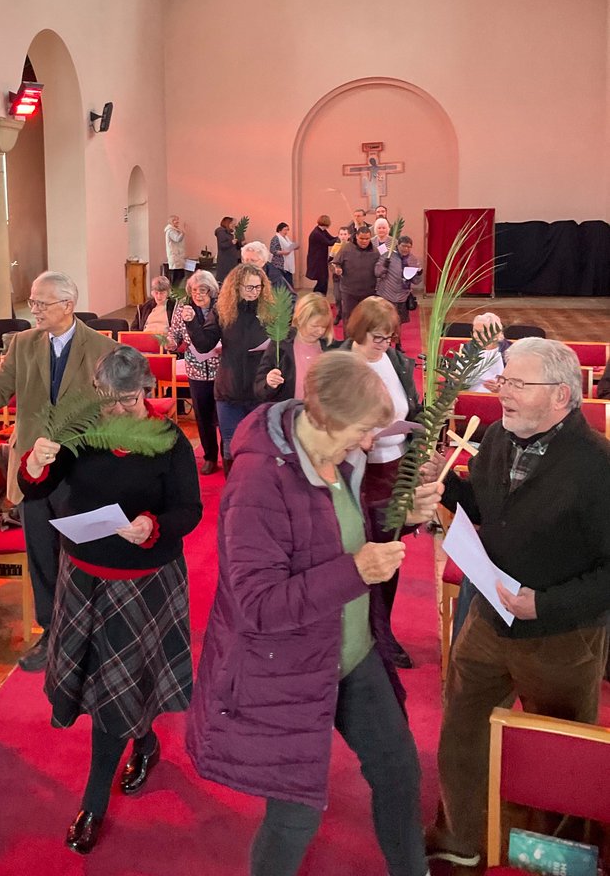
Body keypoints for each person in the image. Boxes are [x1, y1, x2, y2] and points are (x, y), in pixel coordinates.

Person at [187, 351, 443, 876]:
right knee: (295, 817)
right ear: (323, 417)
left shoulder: (338, 457)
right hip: (288, 669)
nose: (368, 444)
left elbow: (336, 531)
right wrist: (357, 572)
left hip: (353, 653)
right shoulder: (258, 482)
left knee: (398, 772)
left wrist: (400, 517)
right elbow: (258, 605)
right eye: (362, 431)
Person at [427, 338, 610, 869]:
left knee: (559, 753)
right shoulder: (498, 437)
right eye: (503, 380)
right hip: (489, 620)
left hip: (562, 637)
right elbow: (488, 508)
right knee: (463, 727)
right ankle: (463, 837)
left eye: (516, 383)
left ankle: (551, 854)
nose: (501, 391)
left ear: (560, 396)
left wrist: (545, 605)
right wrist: (446, 484)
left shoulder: (598, 466)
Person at [19, 347, 202, 854]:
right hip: (84, 577)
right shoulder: (84, 432)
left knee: (118, 688)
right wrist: (35, 464)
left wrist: (152, 525)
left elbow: (190, 510)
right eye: (109, 399)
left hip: (142, 581)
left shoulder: (168, 441)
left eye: (129, 399)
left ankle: (93, 804)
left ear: (147, 390)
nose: (118, 409)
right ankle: (145, 742)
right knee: (113, 682)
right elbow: (37, 490)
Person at [0, 271, 117, 672]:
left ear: (68, 305)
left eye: (42, 303)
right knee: (42, 559)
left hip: (81, 472)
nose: (34, 310)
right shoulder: (23, 344)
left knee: (84, 556)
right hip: (32, 472)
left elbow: (113, 413)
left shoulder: (102, 348)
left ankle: (92, 634)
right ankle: (51, 633)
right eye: (32, 302)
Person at [340, 297, 420, 668]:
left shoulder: (396, 361)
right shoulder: (342, 365)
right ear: (358, 331)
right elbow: (324, 421)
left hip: (395, 470)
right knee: (358, 554)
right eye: (377, 338)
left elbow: (409, 408)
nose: (385, 345)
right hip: (358, 475)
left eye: (389, 338)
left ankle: (382, 630)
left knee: (389, 554)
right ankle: (357, 634)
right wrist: (356, 437)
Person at [184, 263, 272, 475]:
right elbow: (204, 344)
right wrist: (192, 322)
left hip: (259, 390)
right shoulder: (223, 311)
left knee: (258, 446)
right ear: (236, 286)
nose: (254, 292)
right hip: (229, 390)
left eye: (258, 287)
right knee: (231, 447)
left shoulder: (270, 312)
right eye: (249, 287)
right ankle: (232, 488)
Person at [167, 270, 222, 474]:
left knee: (223, 416)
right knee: (203, 416)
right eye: (194, 290)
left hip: (221, 369)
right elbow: (175, 333)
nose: (198, 294)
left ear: (212, 291)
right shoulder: (184, 307)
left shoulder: (220, 307)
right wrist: (171, 343)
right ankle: (210, 457)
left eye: (203, 290)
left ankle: (227, 456)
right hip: (196, 369)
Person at [254, 291, 335, 403]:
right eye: (314, 326)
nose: (320, 331)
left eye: (324, 327)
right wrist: (269, 383)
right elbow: (259, 387)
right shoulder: (281, 344)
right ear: (300, 320)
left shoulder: (330, 347)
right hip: (289, 410)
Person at [375, 234, 423, 348]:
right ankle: (384, 344)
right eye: (403, 246)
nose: (406, 249)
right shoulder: (388, 256)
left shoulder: (412, 259)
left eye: (408, 247)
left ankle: (397, 344)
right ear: (398, 245)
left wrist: (418, 274)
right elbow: (377, 272)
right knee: (385, 321)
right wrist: (384, 266)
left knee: (398, 322)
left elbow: (416, 281)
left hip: (402, 296)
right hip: (387, 294)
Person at [331, 224, 378, 325]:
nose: (364, 241)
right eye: (361, 238)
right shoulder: (346, 249)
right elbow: (334, 263)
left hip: (368, 292)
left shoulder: (375, 251)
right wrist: (337, 269)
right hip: (349, 292)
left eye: (367, 239)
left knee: (366, 319)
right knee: (349, 319)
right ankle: (348, 336)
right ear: (356, 236)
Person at [462, 311, 511, 392]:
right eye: (474, 331)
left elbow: (518, 381)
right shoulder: (468, 348)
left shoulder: (509, 350)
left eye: (481, 332)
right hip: (469, 394)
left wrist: (501, 389)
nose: (475, 336)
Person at [304, 215, 337, 295]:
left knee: (324, 279)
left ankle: (321, 296)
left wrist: (340, 236)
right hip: (316, 260)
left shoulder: (322, 231)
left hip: (321, 259)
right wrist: (340, 237)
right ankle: (317, 296)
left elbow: (331, 238)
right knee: (322, 279)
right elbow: (329, 242)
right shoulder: (316, 233)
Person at [330, 225, 351, 325]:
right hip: (337, 277)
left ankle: (347, 316)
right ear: (338, 235)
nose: (343, 236)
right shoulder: (335, 247)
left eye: (345, 234)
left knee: (347, 298)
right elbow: (330, 262)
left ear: (349, 235)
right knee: (338, 297)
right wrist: (335, 269)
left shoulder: (351, 247)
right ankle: (339, 314)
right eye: (341, 234)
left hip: (349, 277)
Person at [214, 216, 240, 283]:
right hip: (225, 260)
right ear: (227, 223)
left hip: (232, 259)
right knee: (224, 278)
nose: (233, 225)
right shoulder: (221, 231)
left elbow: (237, 246)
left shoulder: (231, 232)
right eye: (232, 223)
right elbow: (222, 245)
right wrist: (231, 242)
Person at [164, 214, 186, 286]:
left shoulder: (175, 230)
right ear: (171, 222)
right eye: (175, 220)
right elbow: (177, 239)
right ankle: (174, 289)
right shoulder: (170, 231)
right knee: (176, 277)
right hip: (175, 257)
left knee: (180, 276)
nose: (177, 222)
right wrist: (183, 232)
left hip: (178, 257)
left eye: (177, 220)